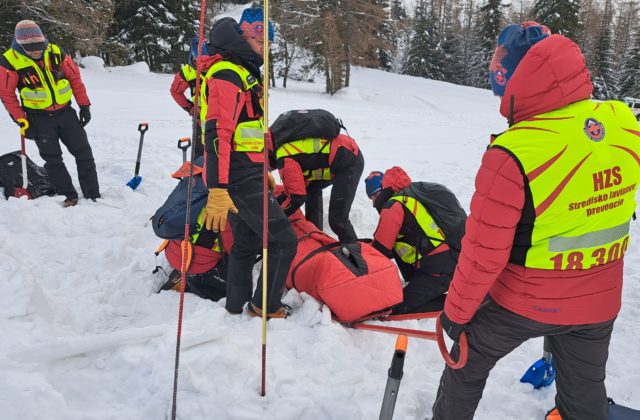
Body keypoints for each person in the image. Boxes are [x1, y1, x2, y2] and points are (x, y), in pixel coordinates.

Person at [432, 22, 640, 420]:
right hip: (600, 299)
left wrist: (455, 317)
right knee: (584, 393)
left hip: (526, 302)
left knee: (466, 363)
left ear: (513, 75)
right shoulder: (621, 120)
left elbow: (483, 255)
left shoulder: (514, 151)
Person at [199, 9, 297, 318]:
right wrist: (217, 188)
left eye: (268, 44)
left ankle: (235, 305)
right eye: (260, 41)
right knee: (284, 240)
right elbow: (219, 134)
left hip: (247, 171)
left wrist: (264, 168)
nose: (264, 49)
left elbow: (252, 130)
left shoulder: (244, 73)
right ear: (244, 37)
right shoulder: (227, 74)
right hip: (236, 176)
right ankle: (264, 306)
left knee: (246, 240)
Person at [0, 20, 99, 206]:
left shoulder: (55, 52)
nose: (38, 51)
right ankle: (68, 196)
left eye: (40, 46)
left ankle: (93, 193)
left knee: (84, 152)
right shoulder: (9, 61)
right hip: (38, 119)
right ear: (21, 45)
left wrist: (84, 106)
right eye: (32, 48)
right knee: (53, 159)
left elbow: (74, 78)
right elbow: (7, 95)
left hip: (66, 113)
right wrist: (22, 121)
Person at [365, 167, 461, 315]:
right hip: (462, 260)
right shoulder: (418, 193)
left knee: (396, 309)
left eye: (373, 197)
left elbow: (380, 251)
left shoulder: (394, 205)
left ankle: (462, 304)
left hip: (440, 273)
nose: (373, 203)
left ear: (380, 192)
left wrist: (360, 252)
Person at [274, 120, 364, 244]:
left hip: (347, 158)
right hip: (334, 156)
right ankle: (316, 235)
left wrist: (274, 219)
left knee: (337, 220)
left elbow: (297, 198)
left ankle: (356, 253)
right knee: (312, 188)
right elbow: (293, 190)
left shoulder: (284, 158)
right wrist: (276, 206)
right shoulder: (285, 152)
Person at [170, 37, 206, 158]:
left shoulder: (217, 65)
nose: (201, 62)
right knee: (200, 153)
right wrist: (190, 107)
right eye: (198, 59)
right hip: (200, 119)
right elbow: (175, 91)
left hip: (220, 117)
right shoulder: (187, 72)